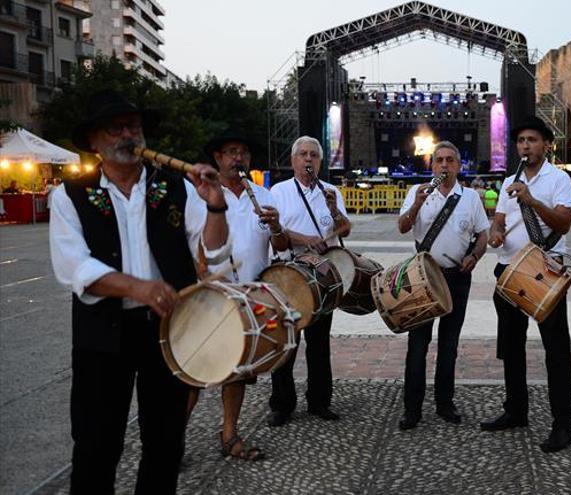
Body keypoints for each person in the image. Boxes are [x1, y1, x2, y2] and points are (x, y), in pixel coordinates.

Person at [50, 90, 230, 494]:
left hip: (168, 331)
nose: (129, 135)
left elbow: (215, 253)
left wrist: (216, 206)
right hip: (101, 336)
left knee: (165, 442)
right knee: (96, 444)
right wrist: (139, 287)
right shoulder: (70, 195)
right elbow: (73, 267)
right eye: (116, 128)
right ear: (95, 142)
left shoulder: (176, 187)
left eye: (134, 126)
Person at [183, 129, 290, 461]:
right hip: (209, 297)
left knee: (238, 371)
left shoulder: (264, 194)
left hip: (249, 298)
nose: (239, 158)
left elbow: (282, 247)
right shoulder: (199, 194)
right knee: (194, 374)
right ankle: (172, 440)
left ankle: (229, 433)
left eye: (243, 152)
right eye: (231, 151)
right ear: (217, 158)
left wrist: (276, 227)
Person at [481, 115, 571, 453]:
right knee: (511, 346)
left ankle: (563, 424)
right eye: (521, 141)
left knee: (556, 349)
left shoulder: (559, 180)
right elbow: (500, 221)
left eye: (532, 140)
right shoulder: (510, 180)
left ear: (546, 144)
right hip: (508, 267)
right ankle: (515, 410)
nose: (525, 146)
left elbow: (564, 224)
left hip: (545, 267)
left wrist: (533, 200)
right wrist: (495, 233)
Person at [397, 141, 490, 430]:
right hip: (423, 275)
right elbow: (402, 227)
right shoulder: (417, 192)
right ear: (432, 165)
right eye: (439, 160)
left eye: (450, 160)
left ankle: (444, 403)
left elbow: (483, 235)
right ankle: (412, 409)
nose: (445, 165)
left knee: (449, 345)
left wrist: (474, 256)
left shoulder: (471, 197)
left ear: (459, 165)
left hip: (456, 276)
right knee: (417, 345)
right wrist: (416, 205)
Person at [266, 136, 352, 426]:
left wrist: (334, 210)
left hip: (321, 275)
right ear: (293, 161)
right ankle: (282, 404)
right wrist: (305, 239)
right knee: (286, 342)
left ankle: (320, 401)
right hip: (288, 274)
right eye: (302, 154)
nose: (308, 159)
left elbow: (345, 229)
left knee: (319, 343)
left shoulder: (330, 191)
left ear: (320, 161)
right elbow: (274, 231)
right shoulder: (277, 192)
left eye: (314, 155)